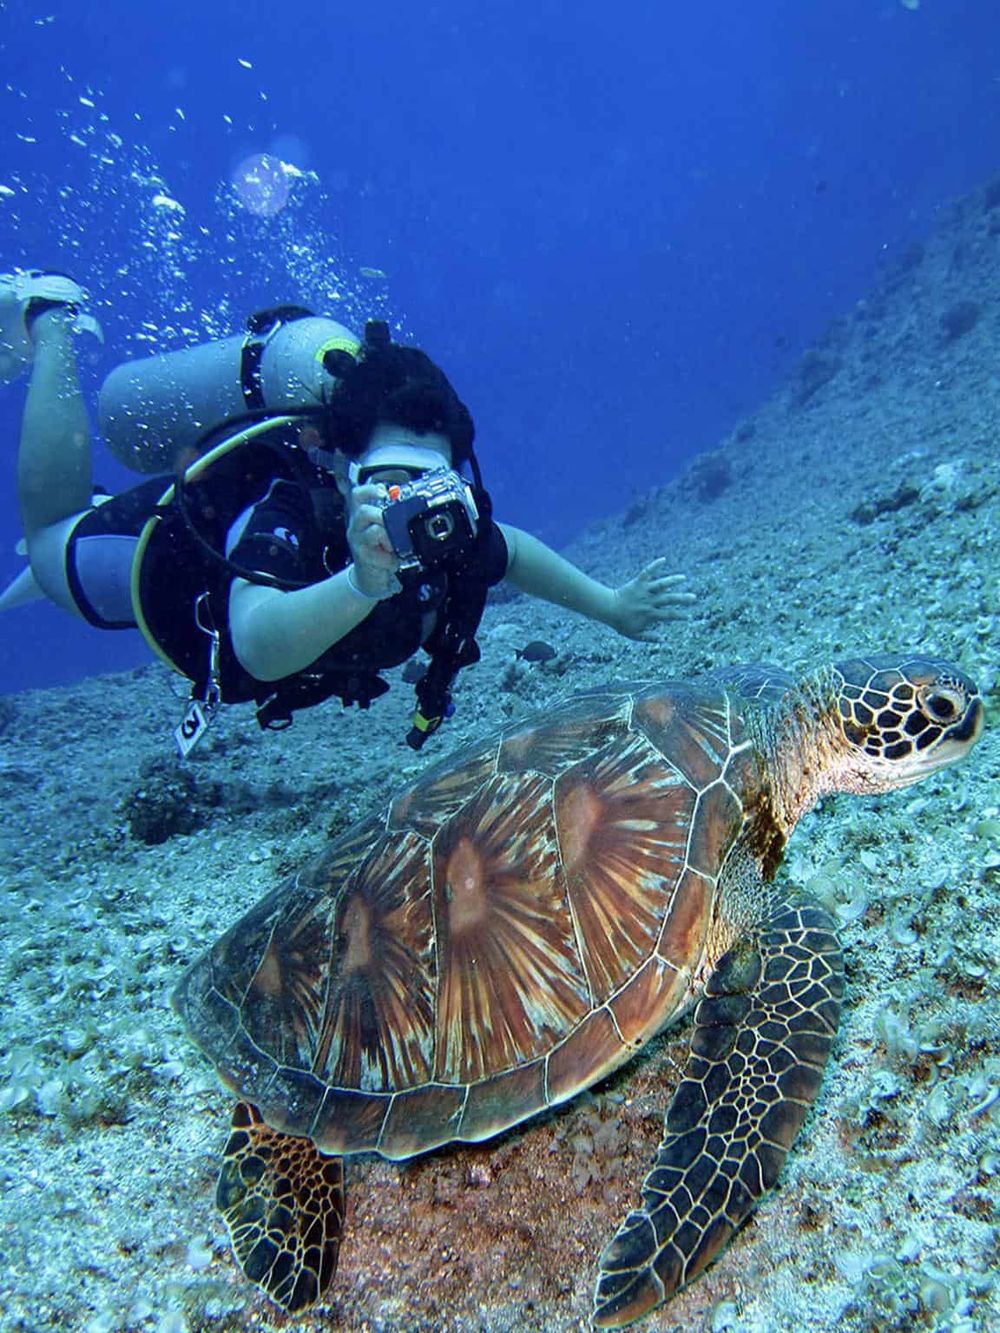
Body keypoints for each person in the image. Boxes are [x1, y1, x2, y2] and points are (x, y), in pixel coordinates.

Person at [1, 269, 694, 752]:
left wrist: (612, 606)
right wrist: (359, 583)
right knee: (46, 540)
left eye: (432, 481)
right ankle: (51, 317)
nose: (410, 504)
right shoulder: (291, 511)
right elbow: (259, 643)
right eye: (388, 479)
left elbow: (510, 550)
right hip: (156, 563)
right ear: (340, 467)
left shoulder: (444, 529)